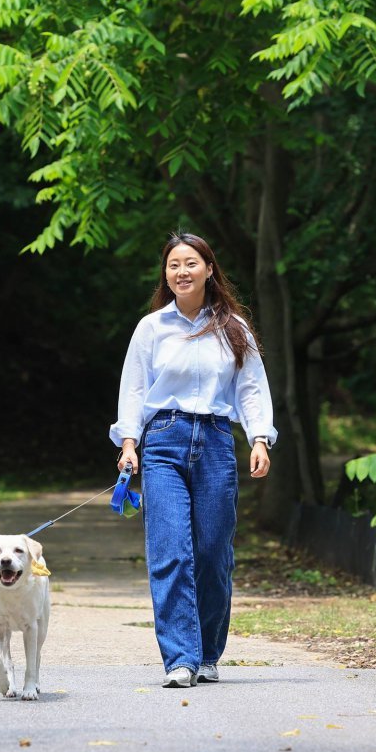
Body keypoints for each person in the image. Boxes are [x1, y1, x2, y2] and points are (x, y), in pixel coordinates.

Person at [109, 233, 276, 688]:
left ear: (208, 269)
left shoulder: (233, 327)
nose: (181, 271)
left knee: (211, 553)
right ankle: (180, 658)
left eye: (190, 263)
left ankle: (207, 653)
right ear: (166, 274)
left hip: (218, 442)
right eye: (173, 265)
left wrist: (259, 437)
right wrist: (128, 442)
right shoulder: (152, 327)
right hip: (162, 439)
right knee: (170, 551)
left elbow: (251, 388)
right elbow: (135, 388)